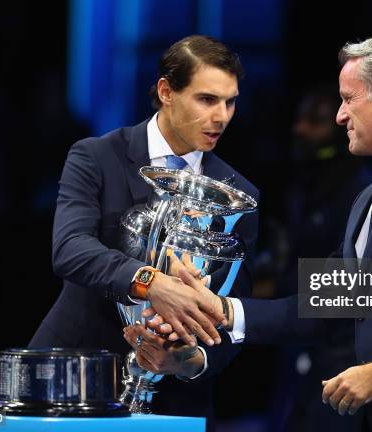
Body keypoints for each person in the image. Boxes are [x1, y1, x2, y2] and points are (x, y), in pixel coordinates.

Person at [129, 35, 372, 431]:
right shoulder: (368, 197)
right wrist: (221, 309)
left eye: (349, 98)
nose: (340, 116)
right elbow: (326, 303)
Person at [29, 35, 259, 426]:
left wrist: (187, 360)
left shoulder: (241, 194)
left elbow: (233, 311)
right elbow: (70, 248)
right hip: (75, 377)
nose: (222, 116)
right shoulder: (97, 156)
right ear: (167, 91)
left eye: (230, 101)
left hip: (175, 403)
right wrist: (152, 283)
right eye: (207, 99)